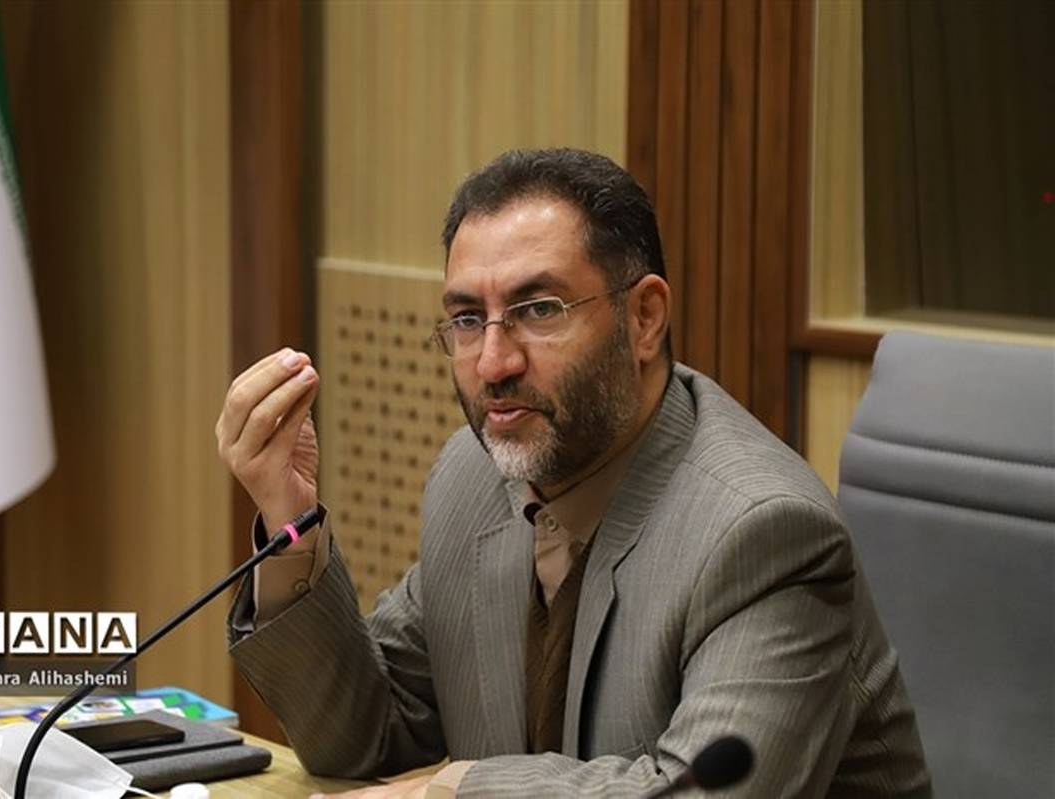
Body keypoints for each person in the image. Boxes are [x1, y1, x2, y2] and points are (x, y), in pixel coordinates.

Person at [217, 149, 931, 798]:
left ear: (644, 317)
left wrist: (456, 790)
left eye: (538, 310)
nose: (493, 362)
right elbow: (367, 734)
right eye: (467, 319)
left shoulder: (762, 532)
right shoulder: (473, 476)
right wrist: (291, 520)